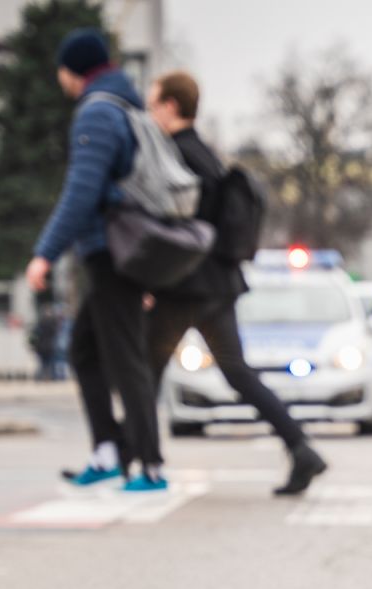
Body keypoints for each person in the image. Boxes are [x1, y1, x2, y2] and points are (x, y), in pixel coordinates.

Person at [142, 70, 327, 497]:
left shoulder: (178, 155)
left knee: (146, 370)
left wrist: (154, 276)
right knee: (237, 373)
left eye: (153, 105)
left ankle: (139, 461)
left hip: (187, 284)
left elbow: (180, 227)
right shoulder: (206, 153)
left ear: (171, 106)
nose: (151, 113)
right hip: (217, 285)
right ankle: (300, 448)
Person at [23, 28, 166, 493]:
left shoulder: (98, 113)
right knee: (85, 350)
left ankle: (148, 465)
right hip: (122, 251)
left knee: (126, 361)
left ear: (73, 69)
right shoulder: (124, 105)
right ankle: (108, 451)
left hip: (112, 252)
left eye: (61, 70)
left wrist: (44, 254)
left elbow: (81, 193)